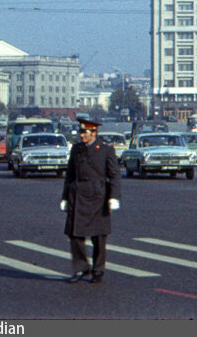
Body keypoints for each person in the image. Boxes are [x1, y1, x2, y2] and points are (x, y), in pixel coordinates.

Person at [60, 119, 121, 283]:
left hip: (98, 195)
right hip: (77, 195)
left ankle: (98, 270)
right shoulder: (76, 149)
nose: (81, 135)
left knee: (99, 236)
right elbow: (70, 175)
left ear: (93, 133)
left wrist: (114, 197)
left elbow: (114, 174)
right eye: (81, 132)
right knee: (74, 235)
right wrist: (65, 197)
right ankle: (81, 268)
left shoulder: (106, 149)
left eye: (84, 132)